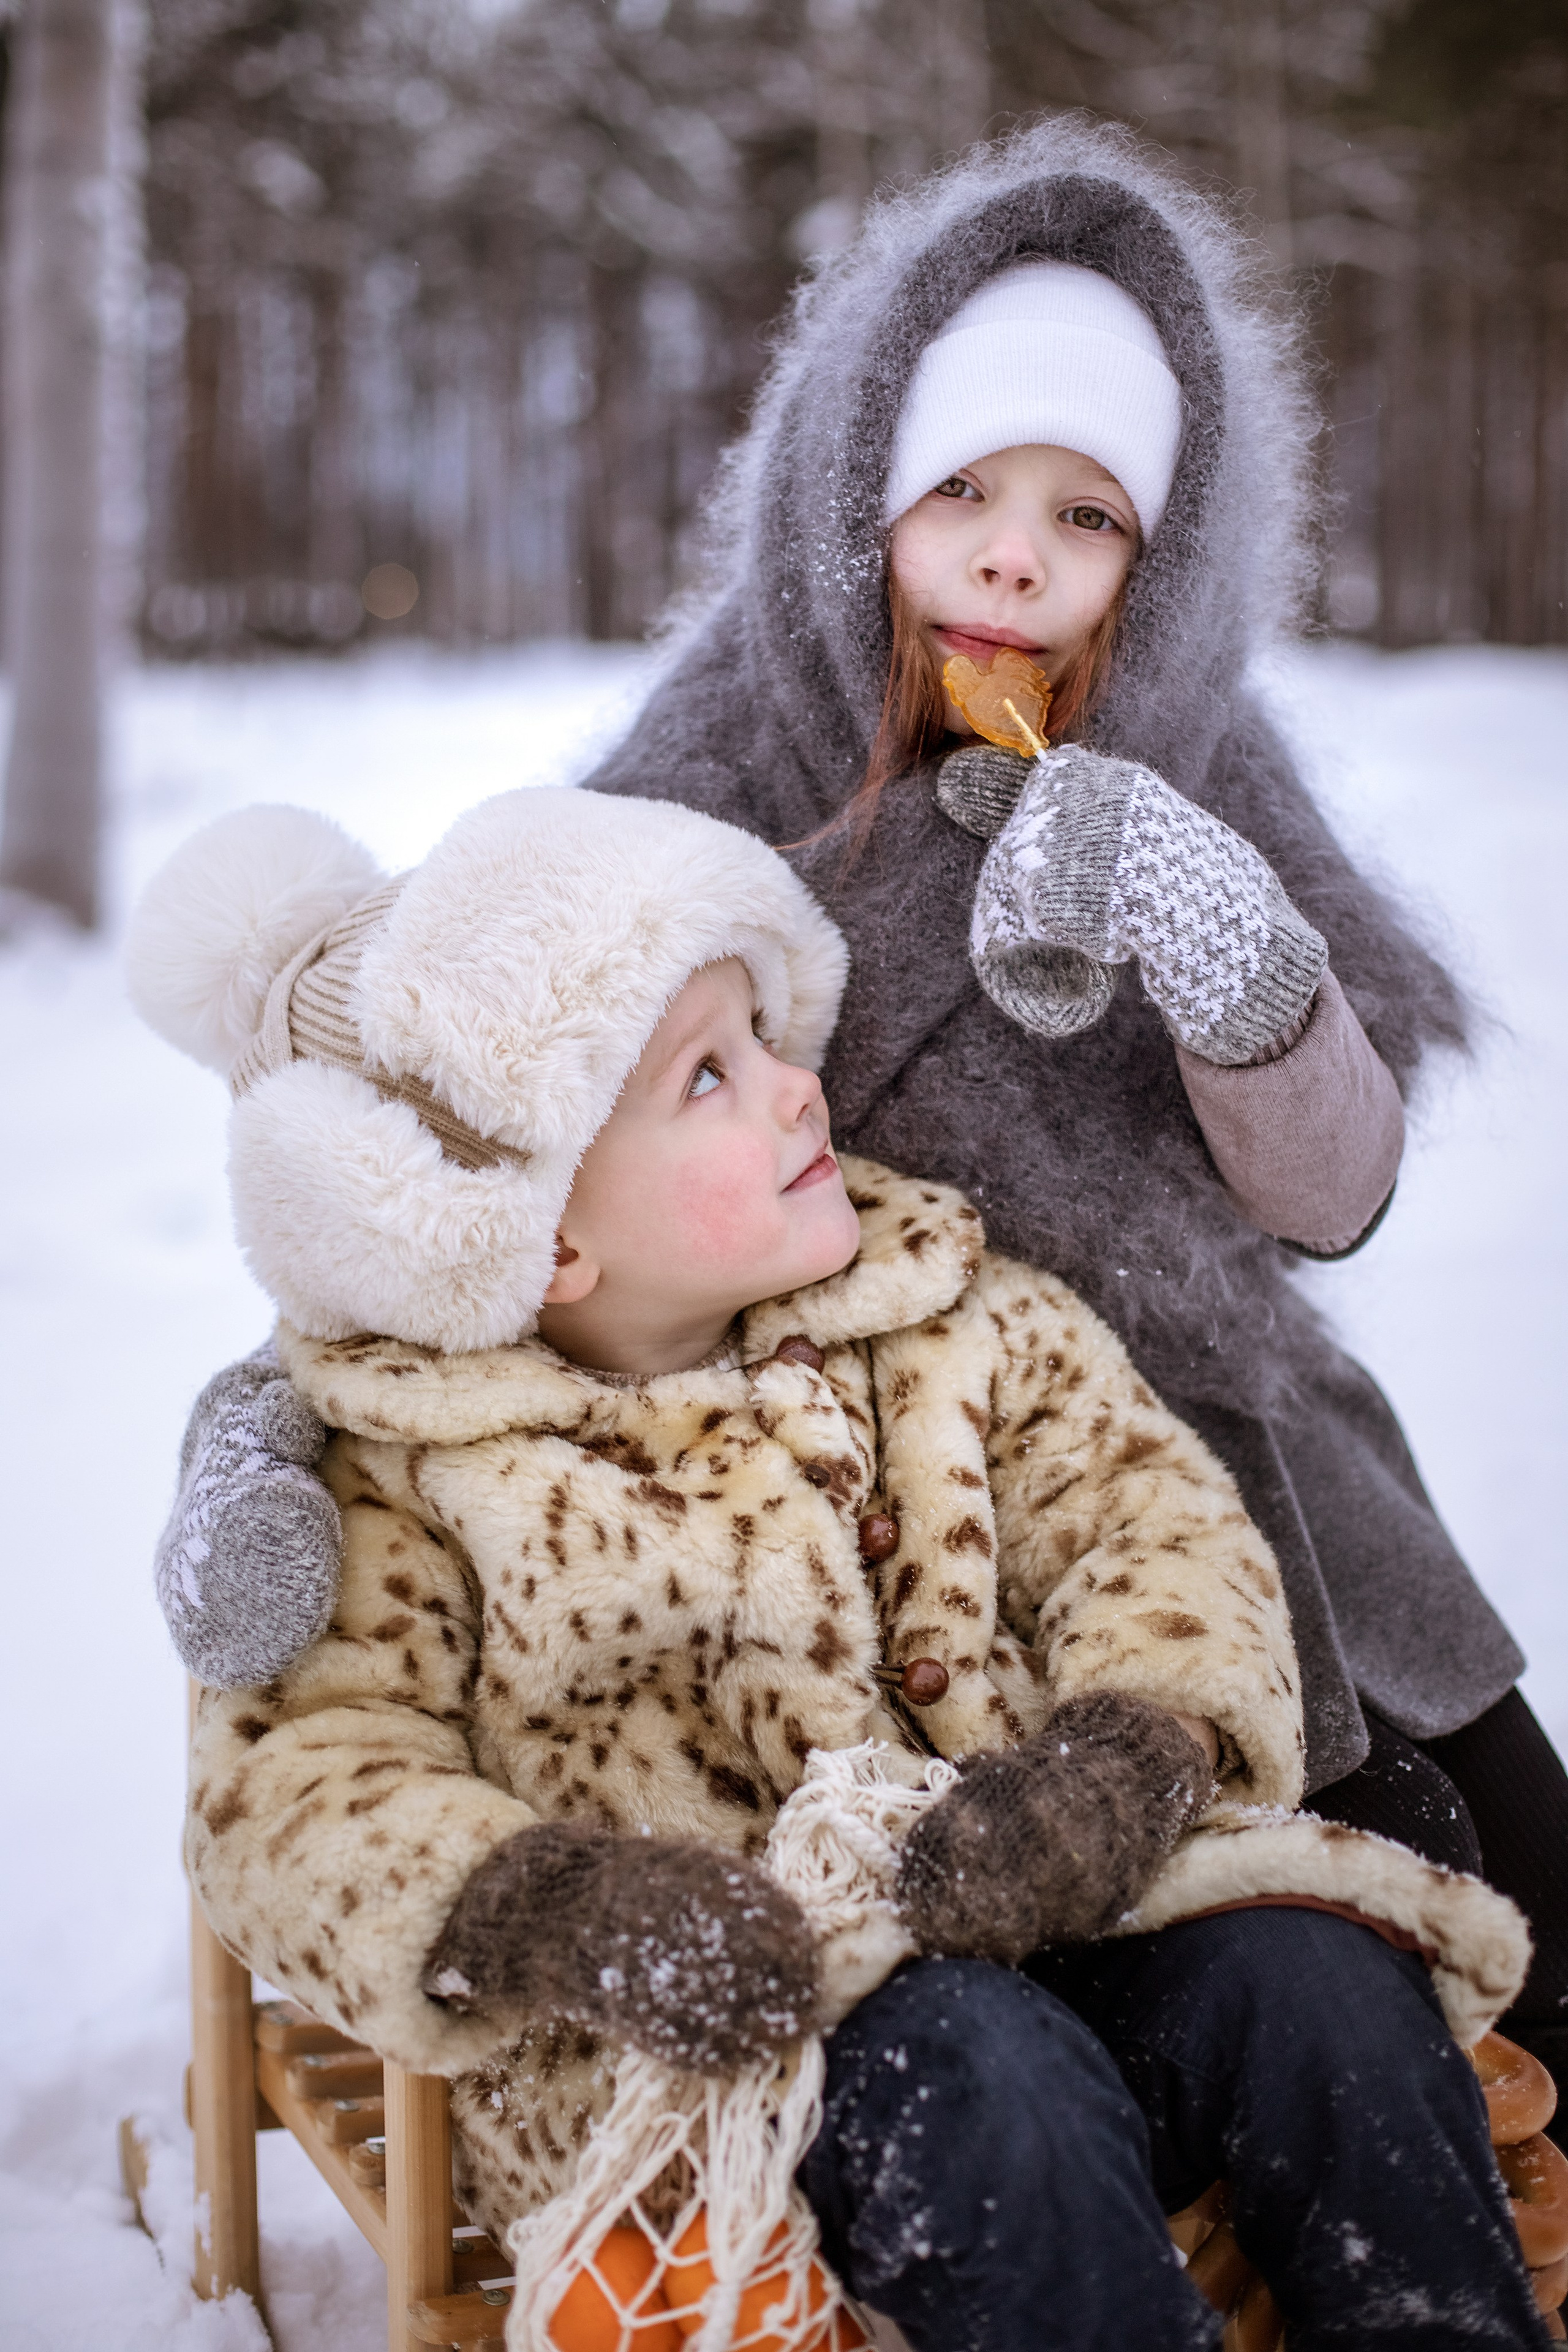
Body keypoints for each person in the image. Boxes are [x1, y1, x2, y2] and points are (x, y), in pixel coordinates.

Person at [145, 117, 1568, 2119]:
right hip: (882, 1478)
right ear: (858, 487)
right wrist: (266, 1427)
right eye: (967, 487)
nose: (1013, 553)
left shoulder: (1199, 760)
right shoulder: (720, 759)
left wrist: (1242, 967)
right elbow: (480, 1130)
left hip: (1232, 1468)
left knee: (1523, 1883)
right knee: (1298, 1927)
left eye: (1087, 517)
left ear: (1154, 566)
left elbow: (1331, 1204)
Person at [128, 786, 1545, 2351]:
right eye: (709, 1078)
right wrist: (559, 1910)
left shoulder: (945, 1309)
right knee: (981, 2063)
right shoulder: (417, 1472)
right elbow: (298, 1786)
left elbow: (1149, 1521)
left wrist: (1135, 1749)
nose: (801, 1092)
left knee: (1316, 1986)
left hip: (1069, 1915)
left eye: (763, 1033)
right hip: (728, 2063)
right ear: (538, 1243)